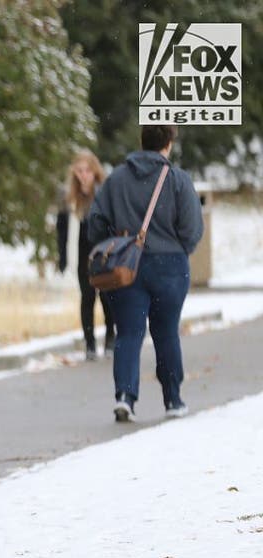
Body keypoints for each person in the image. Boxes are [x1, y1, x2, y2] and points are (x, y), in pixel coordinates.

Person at [87, 124, 203, 422]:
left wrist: (119, 238)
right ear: (168, 144)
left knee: (128, 332)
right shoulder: (177, 179)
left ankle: (125, 396)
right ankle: (173, 400)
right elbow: (192, 228)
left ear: (142, 141)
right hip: (170, 266)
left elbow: (96, 223)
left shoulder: (116, 180)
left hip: (128, 266)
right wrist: (178, 248)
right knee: (166, 332)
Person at [55, 149, 114, 360]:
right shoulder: (68, 196)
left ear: (95, 171)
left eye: (88, 170)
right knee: (87, 297)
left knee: (107, 297)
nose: (84, 175)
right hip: (81, 253)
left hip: (103, 251)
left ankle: (110, 338)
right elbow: (61, 229)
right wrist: (61, 257)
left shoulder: (105, 192)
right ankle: (89, 343)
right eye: (80, 171)